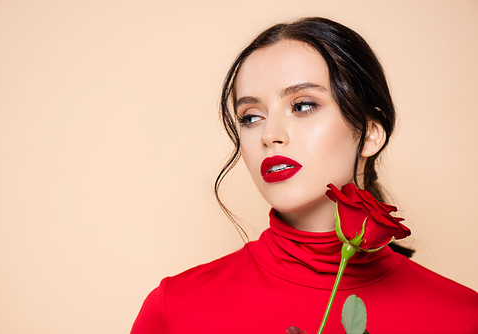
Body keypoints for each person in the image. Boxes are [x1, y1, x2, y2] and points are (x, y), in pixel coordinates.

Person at [130, 17, 478, 334]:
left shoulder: (462, 318)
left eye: (303, 105)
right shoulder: (175, 310)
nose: (270, 134)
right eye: (251, 116)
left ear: (371, 132)